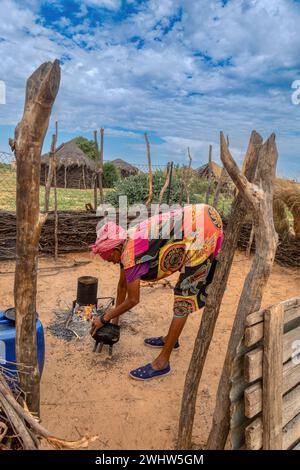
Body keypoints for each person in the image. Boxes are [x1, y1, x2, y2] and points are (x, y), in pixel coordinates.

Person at [91, 204, 223, 381]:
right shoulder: (126, 238)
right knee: (181, 298)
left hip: (203, 231)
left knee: (183, 300)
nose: (111, 263)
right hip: (199, 215)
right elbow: (123, 285)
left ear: (116, 250)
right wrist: (114, 323)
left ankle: (162, 363)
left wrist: (104, 318)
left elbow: (133, 299)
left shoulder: (130, 253)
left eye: (109, 259)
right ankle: (171, 338)